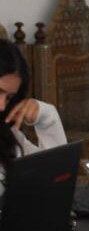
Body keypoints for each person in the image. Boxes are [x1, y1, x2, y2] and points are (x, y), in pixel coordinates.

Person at [0, 38, 67, 195]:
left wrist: (47, 118)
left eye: (9, 97)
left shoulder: (8, 135)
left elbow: (56, 177)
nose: (2, 106)